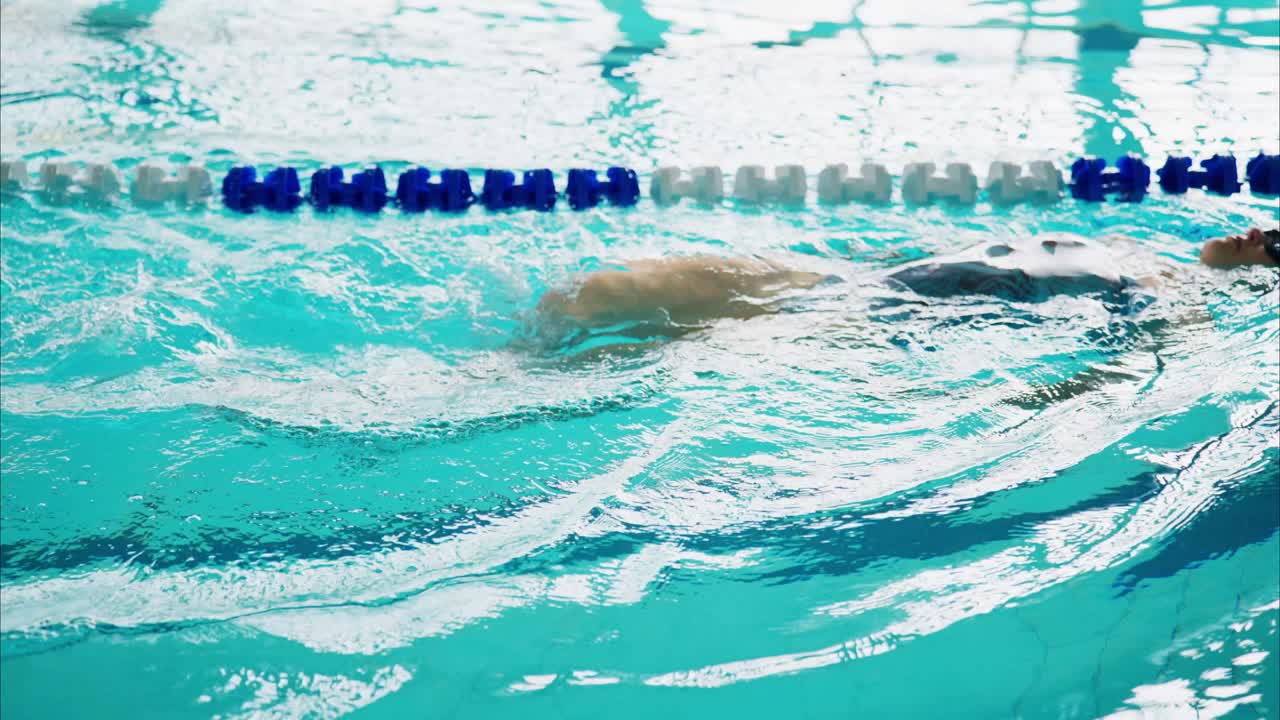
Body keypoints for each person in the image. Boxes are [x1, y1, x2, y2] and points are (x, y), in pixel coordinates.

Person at [534, 228, 1279, 337]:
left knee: (620, 326)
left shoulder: (1182, 305)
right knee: (592, 291)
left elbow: (1110, 380)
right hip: (858, 279)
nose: (1254, 232)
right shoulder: (1148, 249)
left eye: (1273, 246)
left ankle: (491, 399)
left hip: (890, 312)